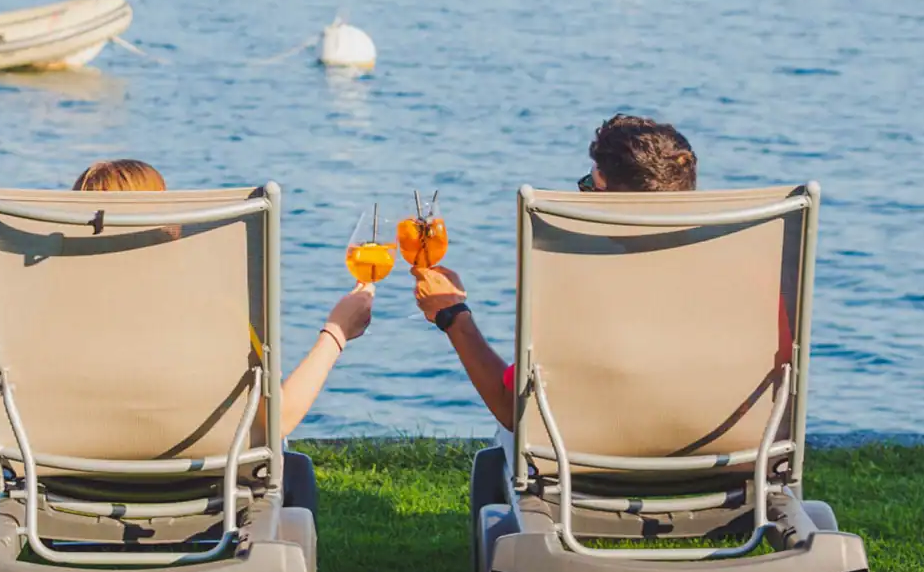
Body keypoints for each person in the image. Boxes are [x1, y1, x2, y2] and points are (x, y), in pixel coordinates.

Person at [409, 115, 697, 429]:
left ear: (612, 203)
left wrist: (453, 315)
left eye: (589, 186)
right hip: (721, 463)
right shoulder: (730, 276)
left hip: (590, 468)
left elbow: (514, 410)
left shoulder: (579, 284)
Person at [73, 159, 373, 437]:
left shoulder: (50, 314)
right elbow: (278, 421)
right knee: (298, 473)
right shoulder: (212, 312)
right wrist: (337, 331)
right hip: (199, 483)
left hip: (67, 479)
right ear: (166, 228)